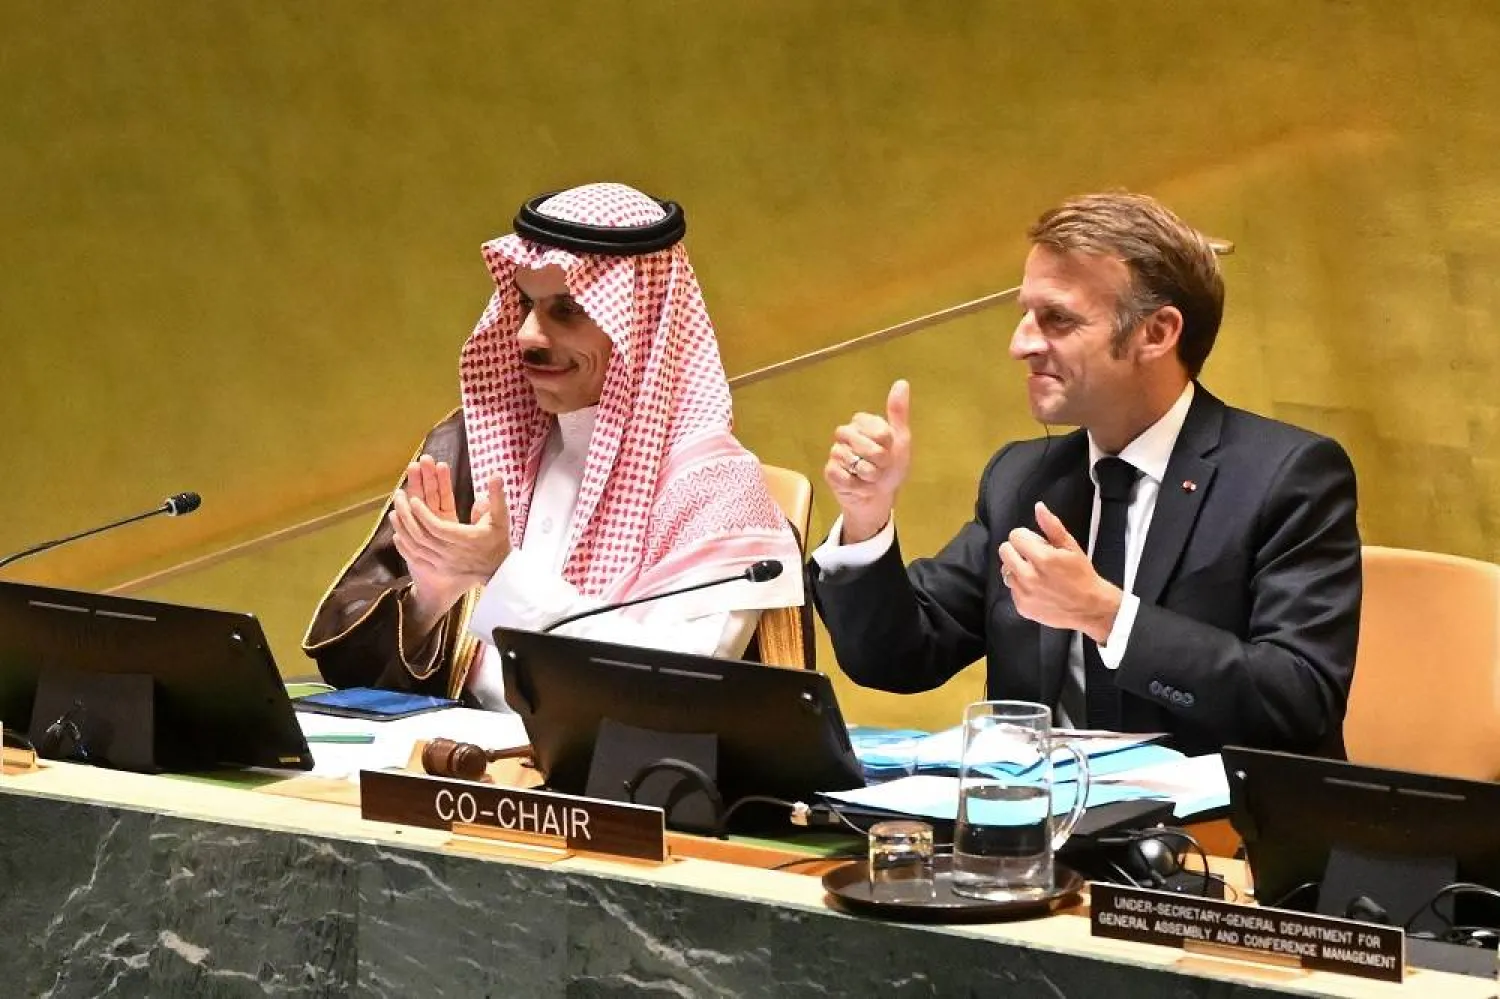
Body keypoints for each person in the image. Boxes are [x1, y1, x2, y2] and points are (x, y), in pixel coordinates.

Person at [809, 192, 1361, 756]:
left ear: (1157, 332)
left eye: (1058, 319)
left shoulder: (1286, 476)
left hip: (1215, 832)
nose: (1020, 344)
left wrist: (1107, 616)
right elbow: (899, 658)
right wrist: (866, 516)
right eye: (1024, 314)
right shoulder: (1024, 477)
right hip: (1041, 822)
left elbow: (1300, 698)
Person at [305, 183, 803, 708]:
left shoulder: (716, 490)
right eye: (525, 304)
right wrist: (432, 599)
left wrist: (499, 574)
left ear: (641, 326)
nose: (526, 335)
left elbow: (672, 694)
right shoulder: (475, 445)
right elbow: (346, 661)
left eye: (566, 310)